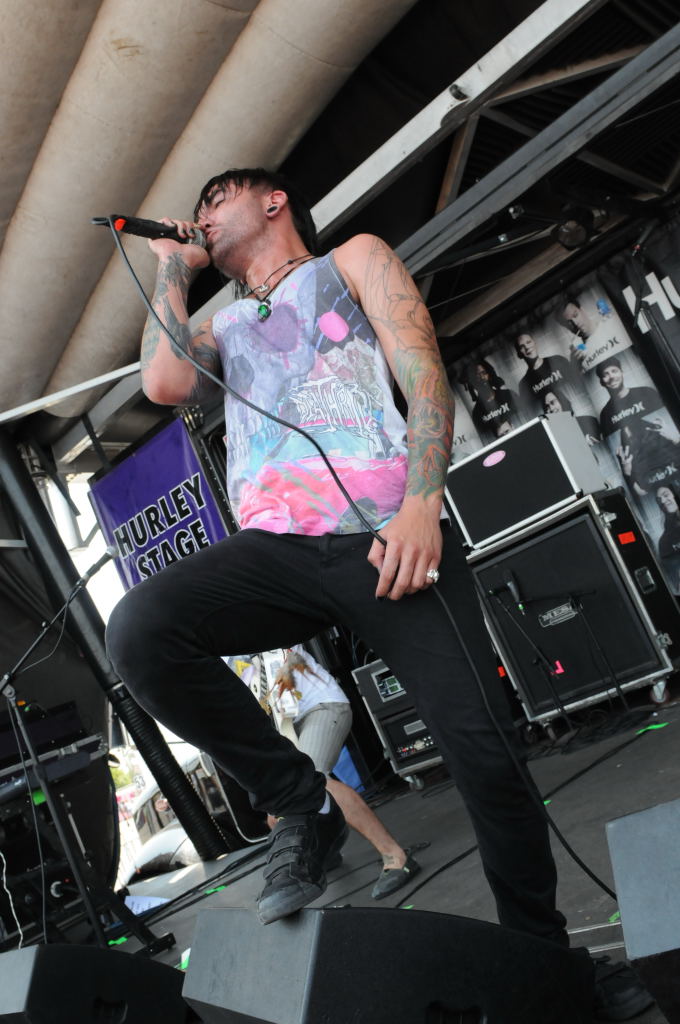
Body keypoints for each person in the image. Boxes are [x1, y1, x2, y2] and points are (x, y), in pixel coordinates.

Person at [105, 168, 651, 1020]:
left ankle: (545, 968)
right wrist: (173, 266)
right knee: (140, 630)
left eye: (218, 199)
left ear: (274, 201)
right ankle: (303, 804)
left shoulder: (352, 259)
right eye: (199, 208)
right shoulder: (221, 326)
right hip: (276, 547)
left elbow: (422, 370)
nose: (203, 214)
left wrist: (423, 504)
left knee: (484, 751)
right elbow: (164, 384)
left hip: (387, 537)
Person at [270, 646, 419, 898]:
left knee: (313, 780)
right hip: (283, 722)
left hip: (320, 705)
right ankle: (327, 850)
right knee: (275, 809)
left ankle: (396, 856)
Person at [596, 356, 663, 437]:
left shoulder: (647, 392)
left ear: (622, 372)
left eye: (614, 371)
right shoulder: (605, 414)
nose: (611, 376)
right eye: (605, 375)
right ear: (601, 382)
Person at [513, 332, 578, 412]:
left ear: (535, 343)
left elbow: (578, 382)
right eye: (522, 347)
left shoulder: (558, 360)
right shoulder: (524, 385)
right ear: (519, 355)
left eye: (528, 342)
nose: (527, 347)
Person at [464, 358, 517, 442]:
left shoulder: (509, 395)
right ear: (473, 383)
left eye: (483, 373)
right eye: (477, 377)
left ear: (489, 374)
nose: (482, 378)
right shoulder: (477, 413)